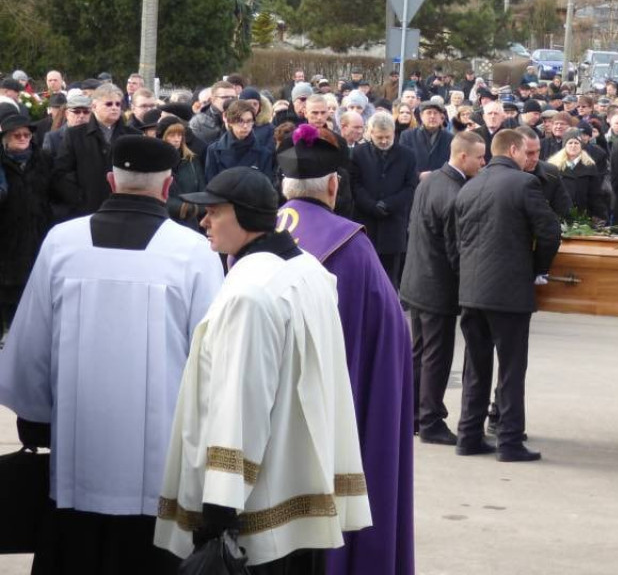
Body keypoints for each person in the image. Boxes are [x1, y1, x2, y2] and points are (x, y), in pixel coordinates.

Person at [0, 136, 224, 574]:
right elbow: (212, 358)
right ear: (167, 187)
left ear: (109, 181)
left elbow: (30, 347)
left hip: (76, 456)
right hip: (162, 465)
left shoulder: (62, 243)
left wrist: (37, 416)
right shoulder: (193, 251)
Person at [156, 167, 371, 570]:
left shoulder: (250, 295)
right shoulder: (307, 269)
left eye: (214, 212)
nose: (203, 221)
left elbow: (240, 404)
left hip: (255, 515)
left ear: (243, 216)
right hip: (301, 489)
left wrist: (219, 509)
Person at [276, 133, 415, 575]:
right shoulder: (352, 249)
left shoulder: (251, 238)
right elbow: (390, 336)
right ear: (333, 187)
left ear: (283, 188)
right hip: (336, 412)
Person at [453, 129, 561, 461]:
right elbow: (550, 232)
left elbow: (458, 238)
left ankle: (469, 435)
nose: (531, 160)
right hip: (509, 291)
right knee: (512, 368)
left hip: (471, 291)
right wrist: (536, 269)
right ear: (513, 150)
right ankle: (510, 441)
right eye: (526, 153)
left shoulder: (469, 185)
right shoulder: (524, 184)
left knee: (476, 366)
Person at [401, 131, 487, 446]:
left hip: (417, 280)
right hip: (437, 287)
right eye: (479, 157)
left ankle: (413, 415)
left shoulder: (432, 180)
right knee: (436, 356)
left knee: (420, 353)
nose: (483, 162)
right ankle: (431, 421)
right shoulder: (454, 194)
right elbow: (456, 251)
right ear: (463, 157)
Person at [0, 112, 53, 341]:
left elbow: (57, 192)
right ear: (6, 139)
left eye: (26, 134)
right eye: (17, 135)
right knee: (9, 292)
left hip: (38, 234)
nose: (23, 138)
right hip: (7, 238)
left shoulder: (43, 160)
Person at [351, 111, 418, 288]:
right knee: (365, 278)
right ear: (370, 133)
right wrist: (371, 205)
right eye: (379, 137)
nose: (384, 141)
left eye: (388, 137)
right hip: (366, 222)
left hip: (394, 224)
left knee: (389, 279)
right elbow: (355, 185)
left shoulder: (407, 155)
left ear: (394, 133)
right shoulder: (358, 154)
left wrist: (389, 204)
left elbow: (410, 187)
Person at [53, 82, 140, 216]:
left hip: (123, 208)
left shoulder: (134, 135)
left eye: (118, 104)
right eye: (109, 104)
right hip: (86, 210)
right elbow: (62, 173)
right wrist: (78, 198)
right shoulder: (75, 135)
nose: (115, 108)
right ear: (94, 106)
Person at [204, 99, 276, 184]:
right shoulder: (214, 151)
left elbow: (266, 187)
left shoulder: (263, 153)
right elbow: (211, 184)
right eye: (240, 121)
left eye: (249, 121)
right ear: (230, 122)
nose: (245, 126)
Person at [547, 128, 607, 222]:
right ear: (564, 145)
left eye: (576, 143)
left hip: (583, 217)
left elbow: (595, 195)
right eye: (570, 143)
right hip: (560, 217)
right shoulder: (553, 166)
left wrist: (600, 215)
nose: (573, 146)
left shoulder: (590, 166)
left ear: (581, 145)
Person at [159, 117, 205, 232]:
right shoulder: (156, 163)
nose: (177, 139)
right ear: (163, 137)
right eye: (172, 135)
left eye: (179, 135)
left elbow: (202, 188)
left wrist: (195, 209)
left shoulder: (191, 159)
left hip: (193, 220)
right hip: (166, 221)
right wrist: (182, 208)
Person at [399, 100, 453, 179]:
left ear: (441, 117)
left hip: (440, 183)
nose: (432, 116)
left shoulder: (450, 138)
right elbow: (402, 162)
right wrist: (418, 175)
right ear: (421, 116)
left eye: (435, 113)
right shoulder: (407, 136)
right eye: (429, 113)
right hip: (414, 184)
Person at [188, 80, 234, 144]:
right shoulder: (199, 122)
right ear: (212, 99)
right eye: (225, 97)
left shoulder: (242, 117)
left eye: (233, 97)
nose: (230, 100)